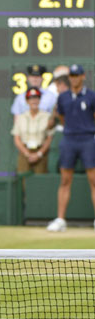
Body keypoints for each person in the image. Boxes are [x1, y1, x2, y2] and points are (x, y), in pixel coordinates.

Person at [47, 64, 95, 232]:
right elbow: (62, 117)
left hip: (88, 139)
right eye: (71, 76)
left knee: (94, 180)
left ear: (82, 76)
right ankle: (61, 219)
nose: (74, 78)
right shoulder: (63, 97)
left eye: (77, 75)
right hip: (69, 140)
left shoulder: (91, 96)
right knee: (65, 180)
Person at [11, 87, 54, 173]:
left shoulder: (47, 116)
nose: (34, 101)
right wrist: (26, 152)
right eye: (31, 98)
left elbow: (49, 138)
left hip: (40, 151)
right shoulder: (21, 117)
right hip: (25, 151)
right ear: (27, 101)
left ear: (40, 100)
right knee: (22, 179)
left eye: (36, 98)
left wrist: (39, 154)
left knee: (40, 180)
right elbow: (16, 138)